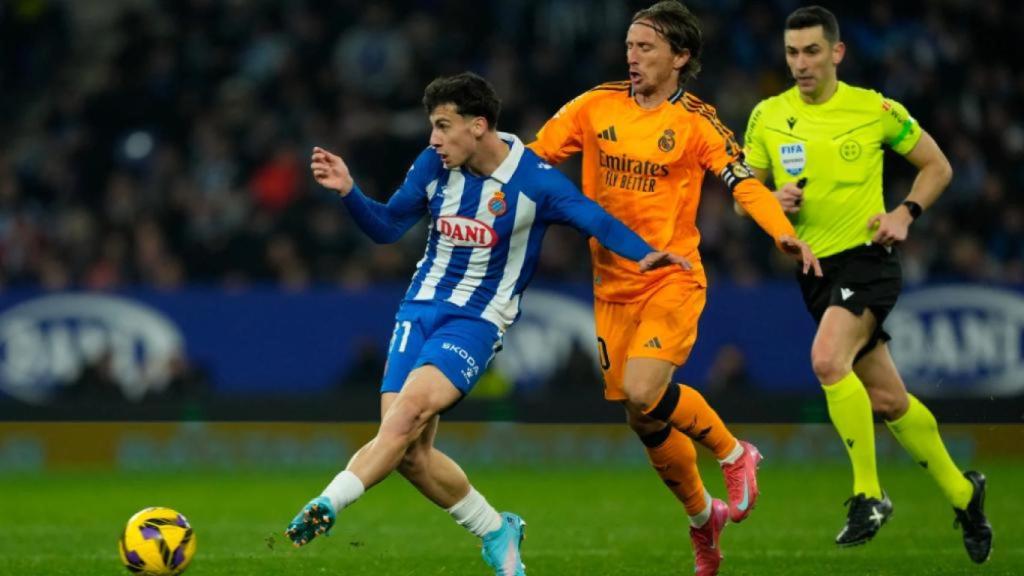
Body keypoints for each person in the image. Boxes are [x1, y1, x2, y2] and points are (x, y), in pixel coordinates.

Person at [285, 72, 691, 576]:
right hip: (419, 309)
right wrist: (349, 192)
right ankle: (497, 530)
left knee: (406, 414)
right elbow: (389, 226)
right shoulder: (433, 165)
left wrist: (646, 253)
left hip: (477, 320)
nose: (433, 138)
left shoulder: (535, 181)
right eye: (432, 126)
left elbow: (596, 220)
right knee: (409, 453)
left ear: (477, 126)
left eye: (443, 126)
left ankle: (328, 503)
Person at [528, 2, 821, 574]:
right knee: (644, 419)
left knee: (643, 389)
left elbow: (744, 183)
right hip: (610, 287)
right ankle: (701, 519)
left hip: (671, 278)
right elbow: (535, 160)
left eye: (646, 47)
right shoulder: (594, 106)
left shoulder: (697, 122)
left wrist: (783, 234)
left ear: (680, 57)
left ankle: (735, 452)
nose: (631, 56)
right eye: (630, 46)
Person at [739, 5, 992, 563]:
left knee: (828, 361)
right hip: (814, 271)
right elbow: (747, 192)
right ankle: (962, 492)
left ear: (836, 52)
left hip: (868, 260)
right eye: (791, 53)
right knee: (887, 397)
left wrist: (904, 213)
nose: (800, 64)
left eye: (810, 51)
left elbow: (938, 166)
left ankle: (868, 494)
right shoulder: (767, 116)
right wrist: (769, 204)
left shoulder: (873, 109)